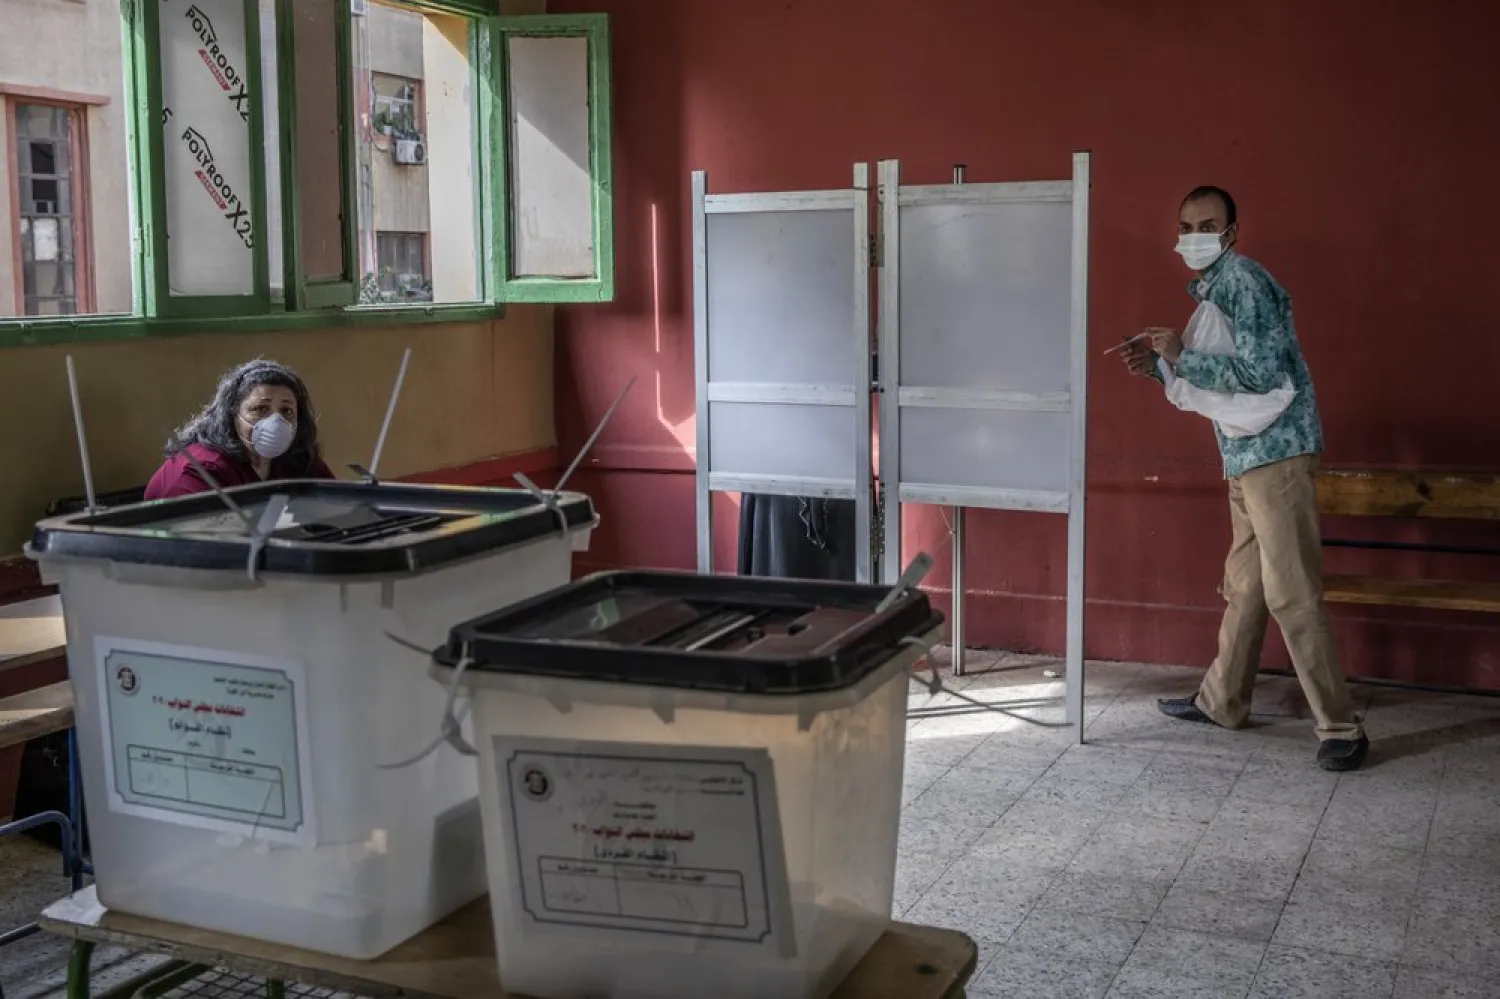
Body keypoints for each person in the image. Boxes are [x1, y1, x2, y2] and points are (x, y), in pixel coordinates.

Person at [1120, 186, 1369, 772]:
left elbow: (1262, 374)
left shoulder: (1244, 282)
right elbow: (1216, 385)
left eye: (1207, 224)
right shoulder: (1217, 290)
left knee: (1291, 591)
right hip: (1248, 455)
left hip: (1275, 455)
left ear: (1232, 232)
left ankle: (1342, 727)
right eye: (1186, 225)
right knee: (1247, 585)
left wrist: (1180, 352)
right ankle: (1223, 701)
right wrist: (1161, 367)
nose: (1194, 235)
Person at [144, 359, 335, 500]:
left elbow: (338, 503)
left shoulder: (296, 459)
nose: (276, 421)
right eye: (260, 409)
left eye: (287, 411)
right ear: (232, 414)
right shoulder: (203, 471)